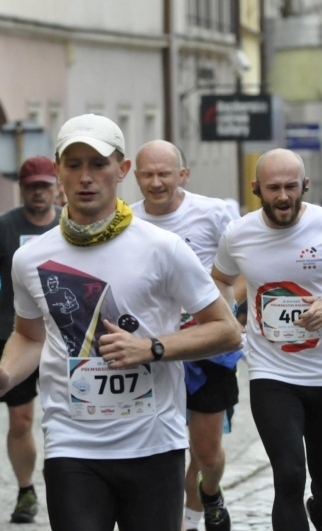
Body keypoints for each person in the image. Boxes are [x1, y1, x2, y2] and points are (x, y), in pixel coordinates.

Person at [0, 114, 242, 531]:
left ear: (121, 171)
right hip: (72, 442)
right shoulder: (30, 258)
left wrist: (153, 348)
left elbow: (227, 330)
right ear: (59, 171)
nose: (86, 177)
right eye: (74, 164)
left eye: (98, 164)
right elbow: (30, 337)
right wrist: (6, 377)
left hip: (153, 442)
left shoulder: (163, 248)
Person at [211, 148, 322, 531]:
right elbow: (220, 281)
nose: (284, 196)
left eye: (292, 186)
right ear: (256, 189)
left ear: (305, 185)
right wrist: (228, 319)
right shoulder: (238, 234)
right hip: (271, 375)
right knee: (288, 476)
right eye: (274, 188)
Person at [131, 140, 242, 531]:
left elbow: (241, 269)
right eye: (148, 174)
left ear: (184, 174)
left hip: (206, 349)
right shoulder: (126, 220)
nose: (156, 182)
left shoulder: (214, 213)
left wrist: (228, 313)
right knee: (163, 447)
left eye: (165, 173)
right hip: (152, 351)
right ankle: (189, 522)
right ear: (134, 175)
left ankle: (209, 493)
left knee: (207, 454)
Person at [0, 155, 62, 523]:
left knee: (65, 416)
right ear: (22, 189)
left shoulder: (70, 224)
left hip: (67, 338)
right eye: (32, 187)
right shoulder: (2, 228)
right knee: (21, 421)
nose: (38, 193)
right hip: (16, 334)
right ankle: (26, 489)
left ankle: (70, 484)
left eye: (44, 186)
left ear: (55, 187)